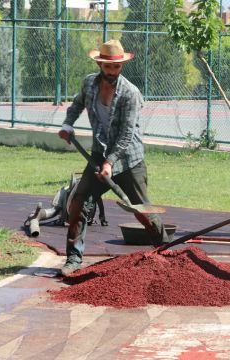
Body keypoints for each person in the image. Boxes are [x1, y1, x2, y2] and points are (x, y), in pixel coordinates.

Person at [57, 39, 166, 276]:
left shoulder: (130, 93)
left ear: (121, 66)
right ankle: (74, 259)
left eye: (116, 67)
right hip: (99, 154)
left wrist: (110, 163)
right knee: (79, 203)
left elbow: (127, 135)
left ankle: (166, 249)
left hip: (128, 159)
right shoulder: (89, 84)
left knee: (141, 209)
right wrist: (68, 124)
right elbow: (76, 105)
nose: (111, 72)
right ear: (100, 64)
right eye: (107, 67)